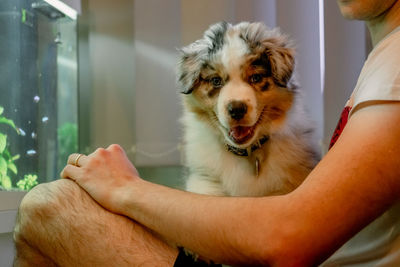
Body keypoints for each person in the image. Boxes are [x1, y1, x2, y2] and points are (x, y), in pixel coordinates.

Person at [13, 0, 400, 266]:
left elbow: (289, 240)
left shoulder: (396, 66)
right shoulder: (383, 60)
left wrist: (126, 189)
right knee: (48, 207)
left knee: (48, 206)